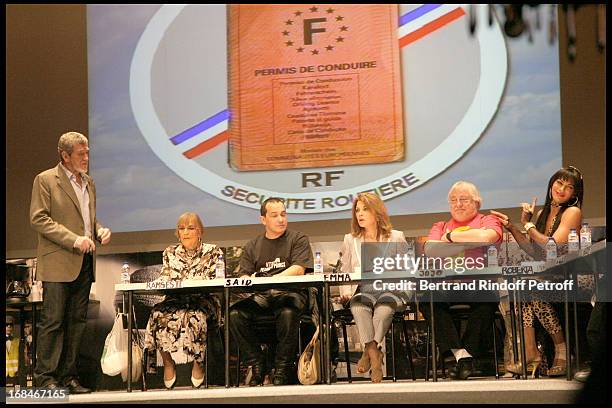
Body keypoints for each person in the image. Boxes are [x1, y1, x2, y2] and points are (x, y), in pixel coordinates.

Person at [30, 131, 111, 393]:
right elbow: (39, 219)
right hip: (58, 263)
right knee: (54, 321)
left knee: (77, 322)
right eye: (80, 153)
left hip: (85, 262)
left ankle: (68, 377)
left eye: (87, 152)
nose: (86, 157)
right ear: (65, 156)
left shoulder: (89, 182)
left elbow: (87, 219)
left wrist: (99, 230)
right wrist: (74, 240)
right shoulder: (45, 180)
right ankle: (46, 379)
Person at [491, 166, 584, 377]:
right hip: (547, 277)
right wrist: (515, 226)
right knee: (521, 288)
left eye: (569, 187)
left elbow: (554, 245)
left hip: (570, 278)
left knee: (531, 287)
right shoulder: (543, 213)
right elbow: (535, 252)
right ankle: (531, 353)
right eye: (559, 183)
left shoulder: (572, 212)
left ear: (575, 194)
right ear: (552, 183)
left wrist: (528, 225)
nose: (562, 189)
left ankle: (562, 350)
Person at [229, 198, 313, 386]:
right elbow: (243, 274)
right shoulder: (253, 245)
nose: (281, 219)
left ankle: (282, 369)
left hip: (290, 294)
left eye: (283, 214)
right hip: (262, 297)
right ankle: (257, 362)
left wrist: (270, 279)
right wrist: (247, 279)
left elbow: (298, 269)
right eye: (275, 215)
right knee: (235, 314)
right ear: (263, 220)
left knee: (288, 313)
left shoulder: (298, 238)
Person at [423, 181, 502, 380]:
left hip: (478, 284)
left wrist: (449, 238)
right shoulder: (439, 225)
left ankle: (458, 356)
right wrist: (468, 242)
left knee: (487, 298)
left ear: (477, 202)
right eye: (453, 201)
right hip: (447, 286)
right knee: (425, 296)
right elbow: (430, 250)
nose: (458, 204)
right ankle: (462, 356)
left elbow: (487, 238)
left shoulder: (488, 220)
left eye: (463, 200)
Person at [337, 192, 411, 383]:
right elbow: (345, 269)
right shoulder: (350, 239)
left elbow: (407, 270)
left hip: (391, 289)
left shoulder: (396, 237)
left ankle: (369, 352)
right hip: (365, 289)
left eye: (365, 209)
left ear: (377, 211)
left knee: (384, 309)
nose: (359, 214)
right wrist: (345, 292)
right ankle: (375, 353)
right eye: (357, 210)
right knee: (358, 307)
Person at [144, 212, 223, 389]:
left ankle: (198, 362)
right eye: (181, 228)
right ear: (177, 233)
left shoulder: (213, 251)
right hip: (176, 299)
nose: (185, 232)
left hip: (203, 300)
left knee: (196, 316)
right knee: (157, 314)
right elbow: (165, 276)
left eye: (191, 228)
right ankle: (167, 362)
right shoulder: (169, 252)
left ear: (200, 231)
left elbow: (217, 280)